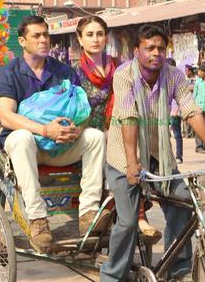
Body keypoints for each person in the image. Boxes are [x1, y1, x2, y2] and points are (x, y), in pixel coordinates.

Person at [100, 25, 205, 282]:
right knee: (128, 222)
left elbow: (192, 112)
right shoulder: (124, 74)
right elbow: (128, 117)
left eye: (161, 48)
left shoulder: (175, 76)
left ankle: (176, 271)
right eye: (149, 48)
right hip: (122, 156)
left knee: (183, 205)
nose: (156, 53)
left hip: (160, 155)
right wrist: (131, 163)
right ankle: (112, 276)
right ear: (137, 51)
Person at [0, 15, 108, 253]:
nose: (44, 40)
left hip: (61, 146)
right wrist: (46, 130)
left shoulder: (63, 71)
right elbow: (6, 117)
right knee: (21, 137)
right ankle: (38, 221)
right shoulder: (6, 74)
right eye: (36, 36)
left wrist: (74, 129)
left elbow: (80, 109)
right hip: (28, 150)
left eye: (46, 35)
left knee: (95, 136)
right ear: (23, 41)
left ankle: (88, 213)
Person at [75, 15, 162, 245]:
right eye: (90, 35)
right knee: (105, 143)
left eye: (100, 34)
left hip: (120, 126)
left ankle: (138, 212)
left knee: (136, 147)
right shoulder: (74, 73)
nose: (95, 39)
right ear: (80, 39)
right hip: (88, 133)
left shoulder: (120, 67)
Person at [166, 59, 184, 164]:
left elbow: (180, 98)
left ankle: (179, 156)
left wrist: (176, 111)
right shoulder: (162, 79)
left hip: (174, 113)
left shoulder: (178, 79)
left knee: (177, 135)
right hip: (165, 112)